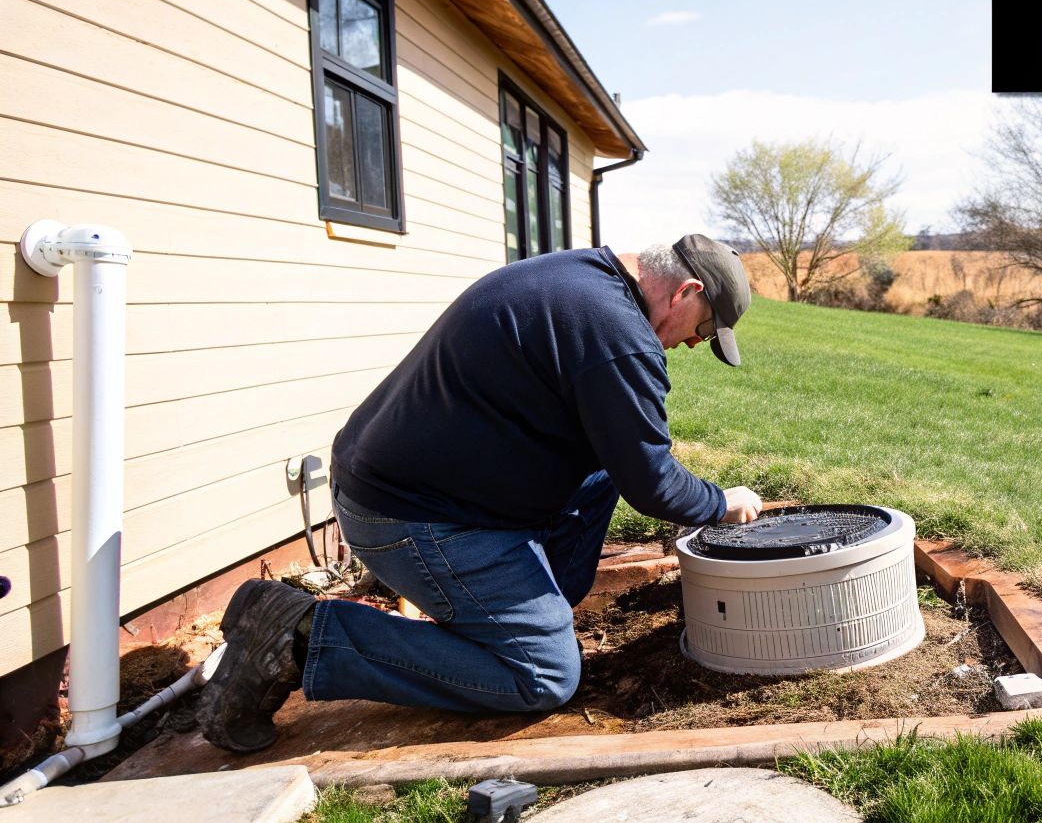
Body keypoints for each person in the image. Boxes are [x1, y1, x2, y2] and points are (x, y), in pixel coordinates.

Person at [196, 235, 760, 752]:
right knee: (543, 677)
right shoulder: (617, 334)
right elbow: (653, 482)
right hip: (414, 517)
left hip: (409, 485)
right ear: (686, 291)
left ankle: (513, 620)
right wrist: (720, 502)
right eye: (704, 328)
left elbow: (624, 458)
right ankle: (298, 632)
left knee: (600, 466)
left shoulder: (581, 276)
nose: (691, 343)